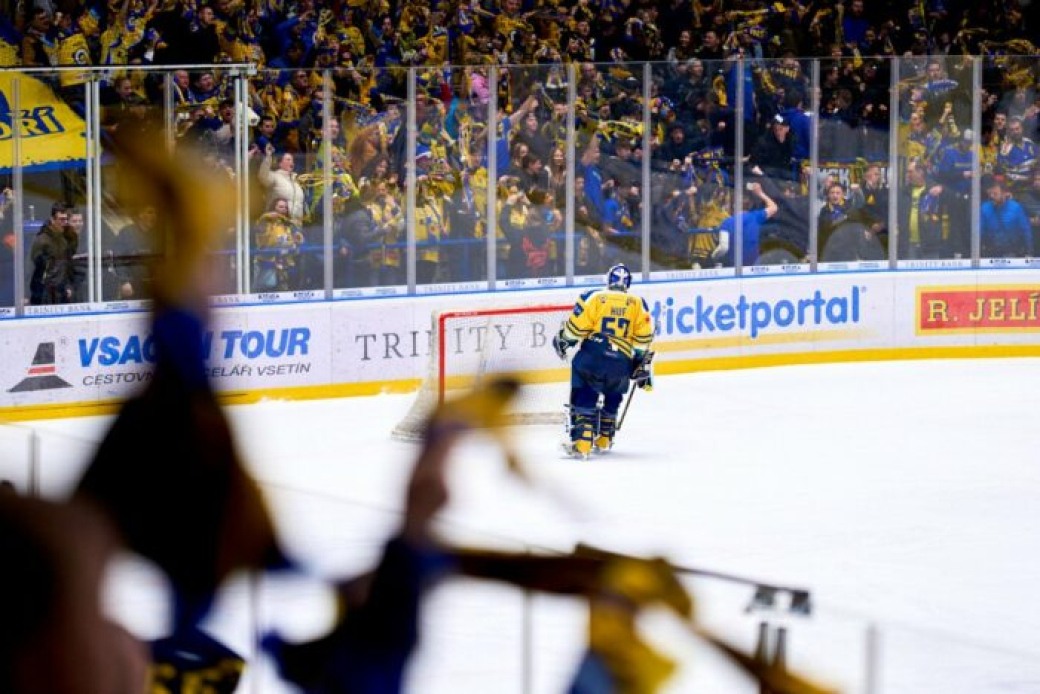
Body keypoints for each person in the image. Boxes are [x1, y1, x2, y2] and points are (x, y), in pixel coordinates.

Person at [552, 263, 654, 458]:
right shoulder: (639, 304)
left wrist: (563, 340)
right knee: (614, 392)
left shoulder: (594, 297)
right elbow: (642, 342)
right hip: (621, 360)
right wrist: (641, 366)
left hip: (594, 355)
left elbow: (576, 329)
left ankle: (582, 443)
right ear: (628, 284)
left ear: (609, 280)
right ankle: (605, 437)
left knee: (585, 390)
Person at [29, 202, 74, 305]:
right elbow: (31, 269)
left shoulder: (64, 240)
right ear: (53, 220)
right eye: (61, 219)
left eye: (66, 219)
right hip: (44, 295)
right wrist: (27, 294)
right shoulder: (41, 240)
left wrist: (67, 286)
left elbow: (66, 266)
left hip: (60, 293)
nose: (65, 222)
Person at [979, 176, 1033, 258]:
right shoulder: (984, 208)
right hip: (991, 252)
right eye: (990, 193)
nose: (992, 196)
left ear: (1004, 193)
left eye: (995, 194)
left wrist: (1029, 251)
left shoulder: (1016, 208)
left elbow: (1025, 230)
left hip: (1013, 251)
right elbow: (979, 232)